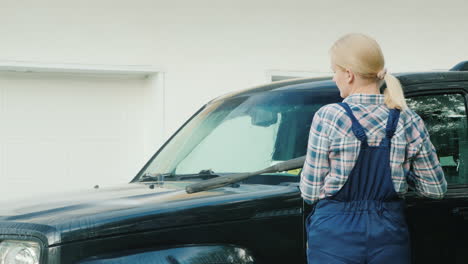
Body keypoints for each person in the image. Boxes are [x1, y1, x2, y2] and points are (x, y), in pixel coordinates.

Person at [299, 33, 447, 264]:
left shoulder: (329, 116)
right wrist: (401, 169)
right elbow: (435, 189)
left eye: (334, 70)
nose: (333, 78)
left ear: (348, 74)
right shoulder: (408, 119)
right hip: (388, 234)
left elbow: (309, 193)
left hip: (334, 235)